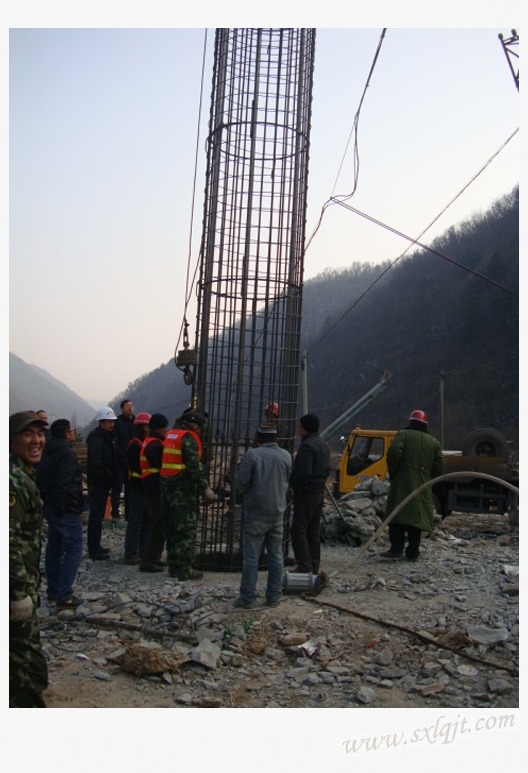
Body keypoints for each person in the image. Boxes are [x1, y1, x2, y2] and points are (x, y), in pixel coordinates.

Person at [9, 410, 49, 707]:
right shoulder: (13, 481)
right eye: (28, 434)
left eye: (40, 433)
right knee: (28, 668)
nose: (36, 440)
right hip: (14, 589)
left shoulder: (23, 474)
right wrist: (18, 594)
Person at [233, 424, 292, 608]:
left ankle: (248, 598)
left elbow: (240, 482)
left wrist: (249, 491)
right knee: (276, 556)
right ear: (276, 439)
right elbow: (287, 480)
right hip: (277, 513)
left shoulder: (253, 455)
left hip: (256, 513)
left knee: (251, 558)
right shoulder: (286, 455)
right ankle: (273, 597)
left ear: (258, 439)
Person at [381, 409, 446, 561]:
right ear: (426, 425)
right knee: (417, 520)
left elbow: (394, 453)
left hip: (402, 483)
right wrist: (427, 478)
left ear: (410, 422)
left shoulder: (403, 435)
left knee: (397, 515)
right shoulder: (434, 442)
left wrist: (395, 472)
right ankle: (412, 553)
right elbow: (440, 465)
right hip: (422, 486)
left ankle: (396, 549)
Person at [159, 411, 216, 581]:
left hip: (166, 489)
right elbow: (194, 467)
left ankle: (174, 565)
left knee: (171, 529)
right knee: (186, 530)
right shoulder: (188, 438)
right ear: (196, 426)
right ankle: (185, 570)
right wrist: (206, 488)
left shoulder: (171, 435)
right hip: (182, 491)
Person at [37, 419, 84, 610]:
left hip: (50, 506)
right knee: (74, 548)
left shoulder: (47, 451)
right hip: (65, 508)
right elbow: (64, 482)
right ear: (66, 434)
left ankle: (53, 591)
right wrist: (63, 507)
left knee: (54, 547)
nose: (73, 433)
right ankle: (64, 596)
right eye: (71, 430)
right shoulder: (67, 454)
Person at [290, 413, 331, 575]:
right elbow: (326, 470)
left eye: (301, 427)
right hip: (318, 492)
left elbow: (304, 473)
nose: (299, 430)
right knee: (313, 531)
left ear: (306, 428)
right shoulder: (322, 444)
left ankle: (304, 566)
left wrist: (297, 488)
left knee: (298, 530)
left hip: (307, 493)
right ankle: (313, 567)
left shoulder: (307, 446)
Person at [139, 413, 169, 573]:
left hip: (151, 488)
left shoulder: (151, 441)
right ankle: (148, 561)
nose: (166, 430)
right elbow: (161, 464)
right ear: (158, 428)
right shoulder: (155, 446)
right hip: (154, 489)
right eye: (164, 427)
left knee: (158, 526)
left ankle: (154, 557)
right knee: (157, 526)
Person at [86, 407, 117, 560]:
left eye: (112, 422)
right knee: (96, 516)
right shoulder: (96, 439)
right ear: (101, 422)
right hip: (99, 483)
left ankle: (96, 545)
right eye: (109, 422)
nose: (111, 424)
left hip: (104, 482)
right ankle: (93, 549)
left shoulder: (106, 437)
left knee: (98, 517)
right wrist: (107, 476)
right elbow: (96, 464)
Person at [124, 412, 150, 565]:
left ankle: (143, 551)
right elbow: (138, 467)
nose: (147, 429)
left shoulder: (144, 443)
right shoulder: (135, 445)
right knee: (135, 521)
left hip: (143, 487)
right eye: (144, 426)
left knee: (145, 521)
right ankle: (131, 553)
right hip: (136, 487)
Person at [110, 398, 136, 521]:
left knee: (130, 489)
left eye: (131, 405)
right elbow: (113, 441)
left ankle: (129, 514)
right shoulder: (118, 422)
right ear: (122, 408)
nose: (130, 408)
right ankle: (115, 512)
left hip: (133, 461)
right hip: (120, 461)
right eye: (127, 406)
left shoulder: (136, 422)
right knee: (117, 487)